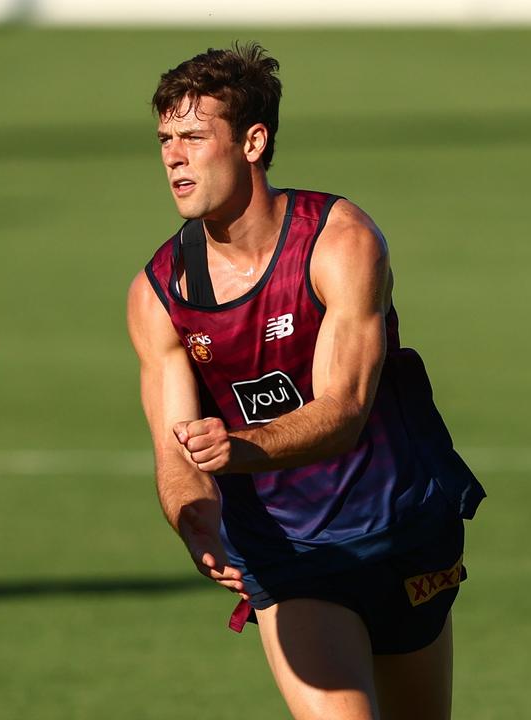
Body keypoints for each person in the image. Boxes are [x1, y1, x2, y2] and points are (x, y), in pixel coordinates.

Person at [125, 43, 484, 720]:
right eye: (166, 139)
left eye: (195, 137)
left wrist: (236, 446)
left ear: (253, 141)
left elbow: (344, 410)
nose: (174, 156)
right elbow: (174, 454)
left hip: (403, 528)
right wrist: (194, 517)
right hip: (289, 555)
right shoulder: (158, 295)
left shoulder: (339, 242)